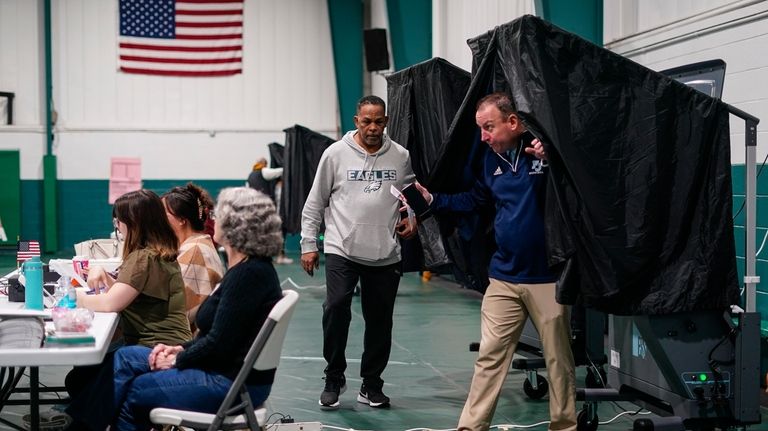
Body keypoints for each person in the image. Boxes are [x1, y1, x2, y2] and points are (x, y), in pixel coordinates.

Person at [415, 92, 576, 431]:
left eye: (489, 127)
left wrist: (557, 160)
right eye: (481, 130)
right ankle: (471, 427)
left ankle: (564, 426)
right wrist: (434, 199)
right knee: (490, 356)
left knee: (558, 359)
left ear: (513, 122)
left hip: (547, 278)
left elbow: (580, 187)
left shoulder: (544, 151)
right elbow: (475, 199)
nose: (484, 137)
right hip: (504, 275)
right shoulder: (492, 161)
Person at [66, 187, 285, 430]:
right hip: (228, 374)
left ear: (236, 227)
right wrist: (178, 348)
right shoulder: (248, 270)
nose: (213, 221)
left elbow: (219, 344)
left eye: (219, 216)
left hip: (229, 383)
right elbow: (218, 338)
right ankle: (81, 424)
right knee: (125, 358)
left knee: (136, 390)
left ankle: (81, 426)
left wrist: (177, 358)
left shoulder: (249, 275)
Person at [300, 95, 417, 410]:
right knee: (336, 307)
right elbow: (315, 202)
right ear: (357, 121)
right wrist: (308, 244)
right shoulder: (335, 154)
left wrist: (411, 218)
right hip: (342, 247)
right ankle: (333, 376)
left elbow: (410, 197)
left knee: (380, 322)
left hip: (385, 252)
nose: (373, 127)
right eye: (367, 121)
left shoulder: (400, 156)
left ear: (386, 122)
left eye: (379, 121)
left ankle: (371, 384)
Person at [65, 189, 193, 427]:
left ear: (132, 223)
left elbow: (110, 303)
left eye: (119, 221)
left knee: (84, 377)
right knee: (81, 377)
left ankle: (81, 424)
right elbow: (135, 291)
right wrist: (103, 275)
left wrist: (69, 297)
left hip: (156, 345)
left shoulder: (143, 257)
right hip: (172, 341)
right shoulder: (159, 253)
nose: (118, 226)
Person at [162, 183, 225, 329]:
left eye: (163, 214)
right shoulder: (198, 244)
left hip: (184, 342)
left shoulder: (194, 252)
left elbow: (176, 314)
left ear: (181, 220)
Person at [248, 157, 293, 265]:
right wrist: (289, 167)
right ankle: (279, 256)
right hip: (267, 209)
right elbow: (280, 171)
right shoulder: (263, 171)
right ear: (263, 163)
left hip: (255, 209)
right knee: (276, 232)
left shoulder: (251, 175)